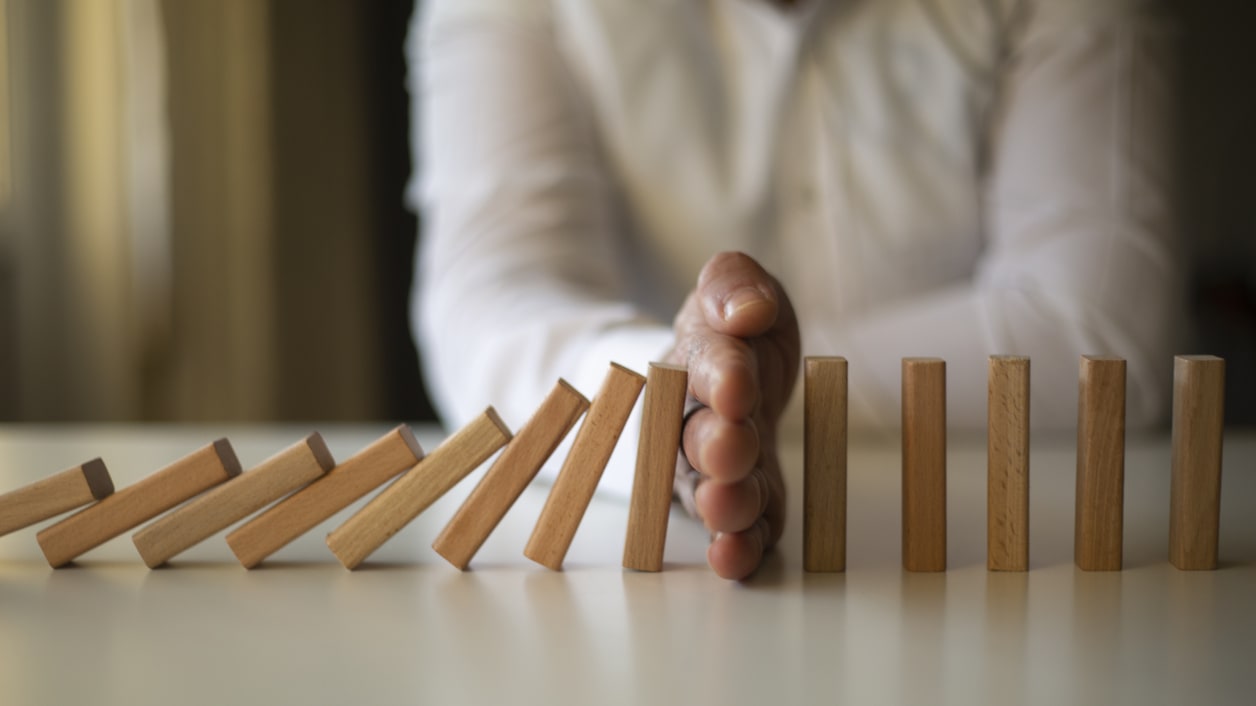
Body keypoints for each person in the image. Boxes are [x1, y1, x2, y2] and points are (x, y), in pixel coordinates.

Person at [406, 0, 1185, 580]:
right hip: (661, 575)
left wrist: (729, 393)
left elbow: (1101, 335)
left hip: (995, 564)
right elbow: (489, 307)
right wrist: (680, 401)